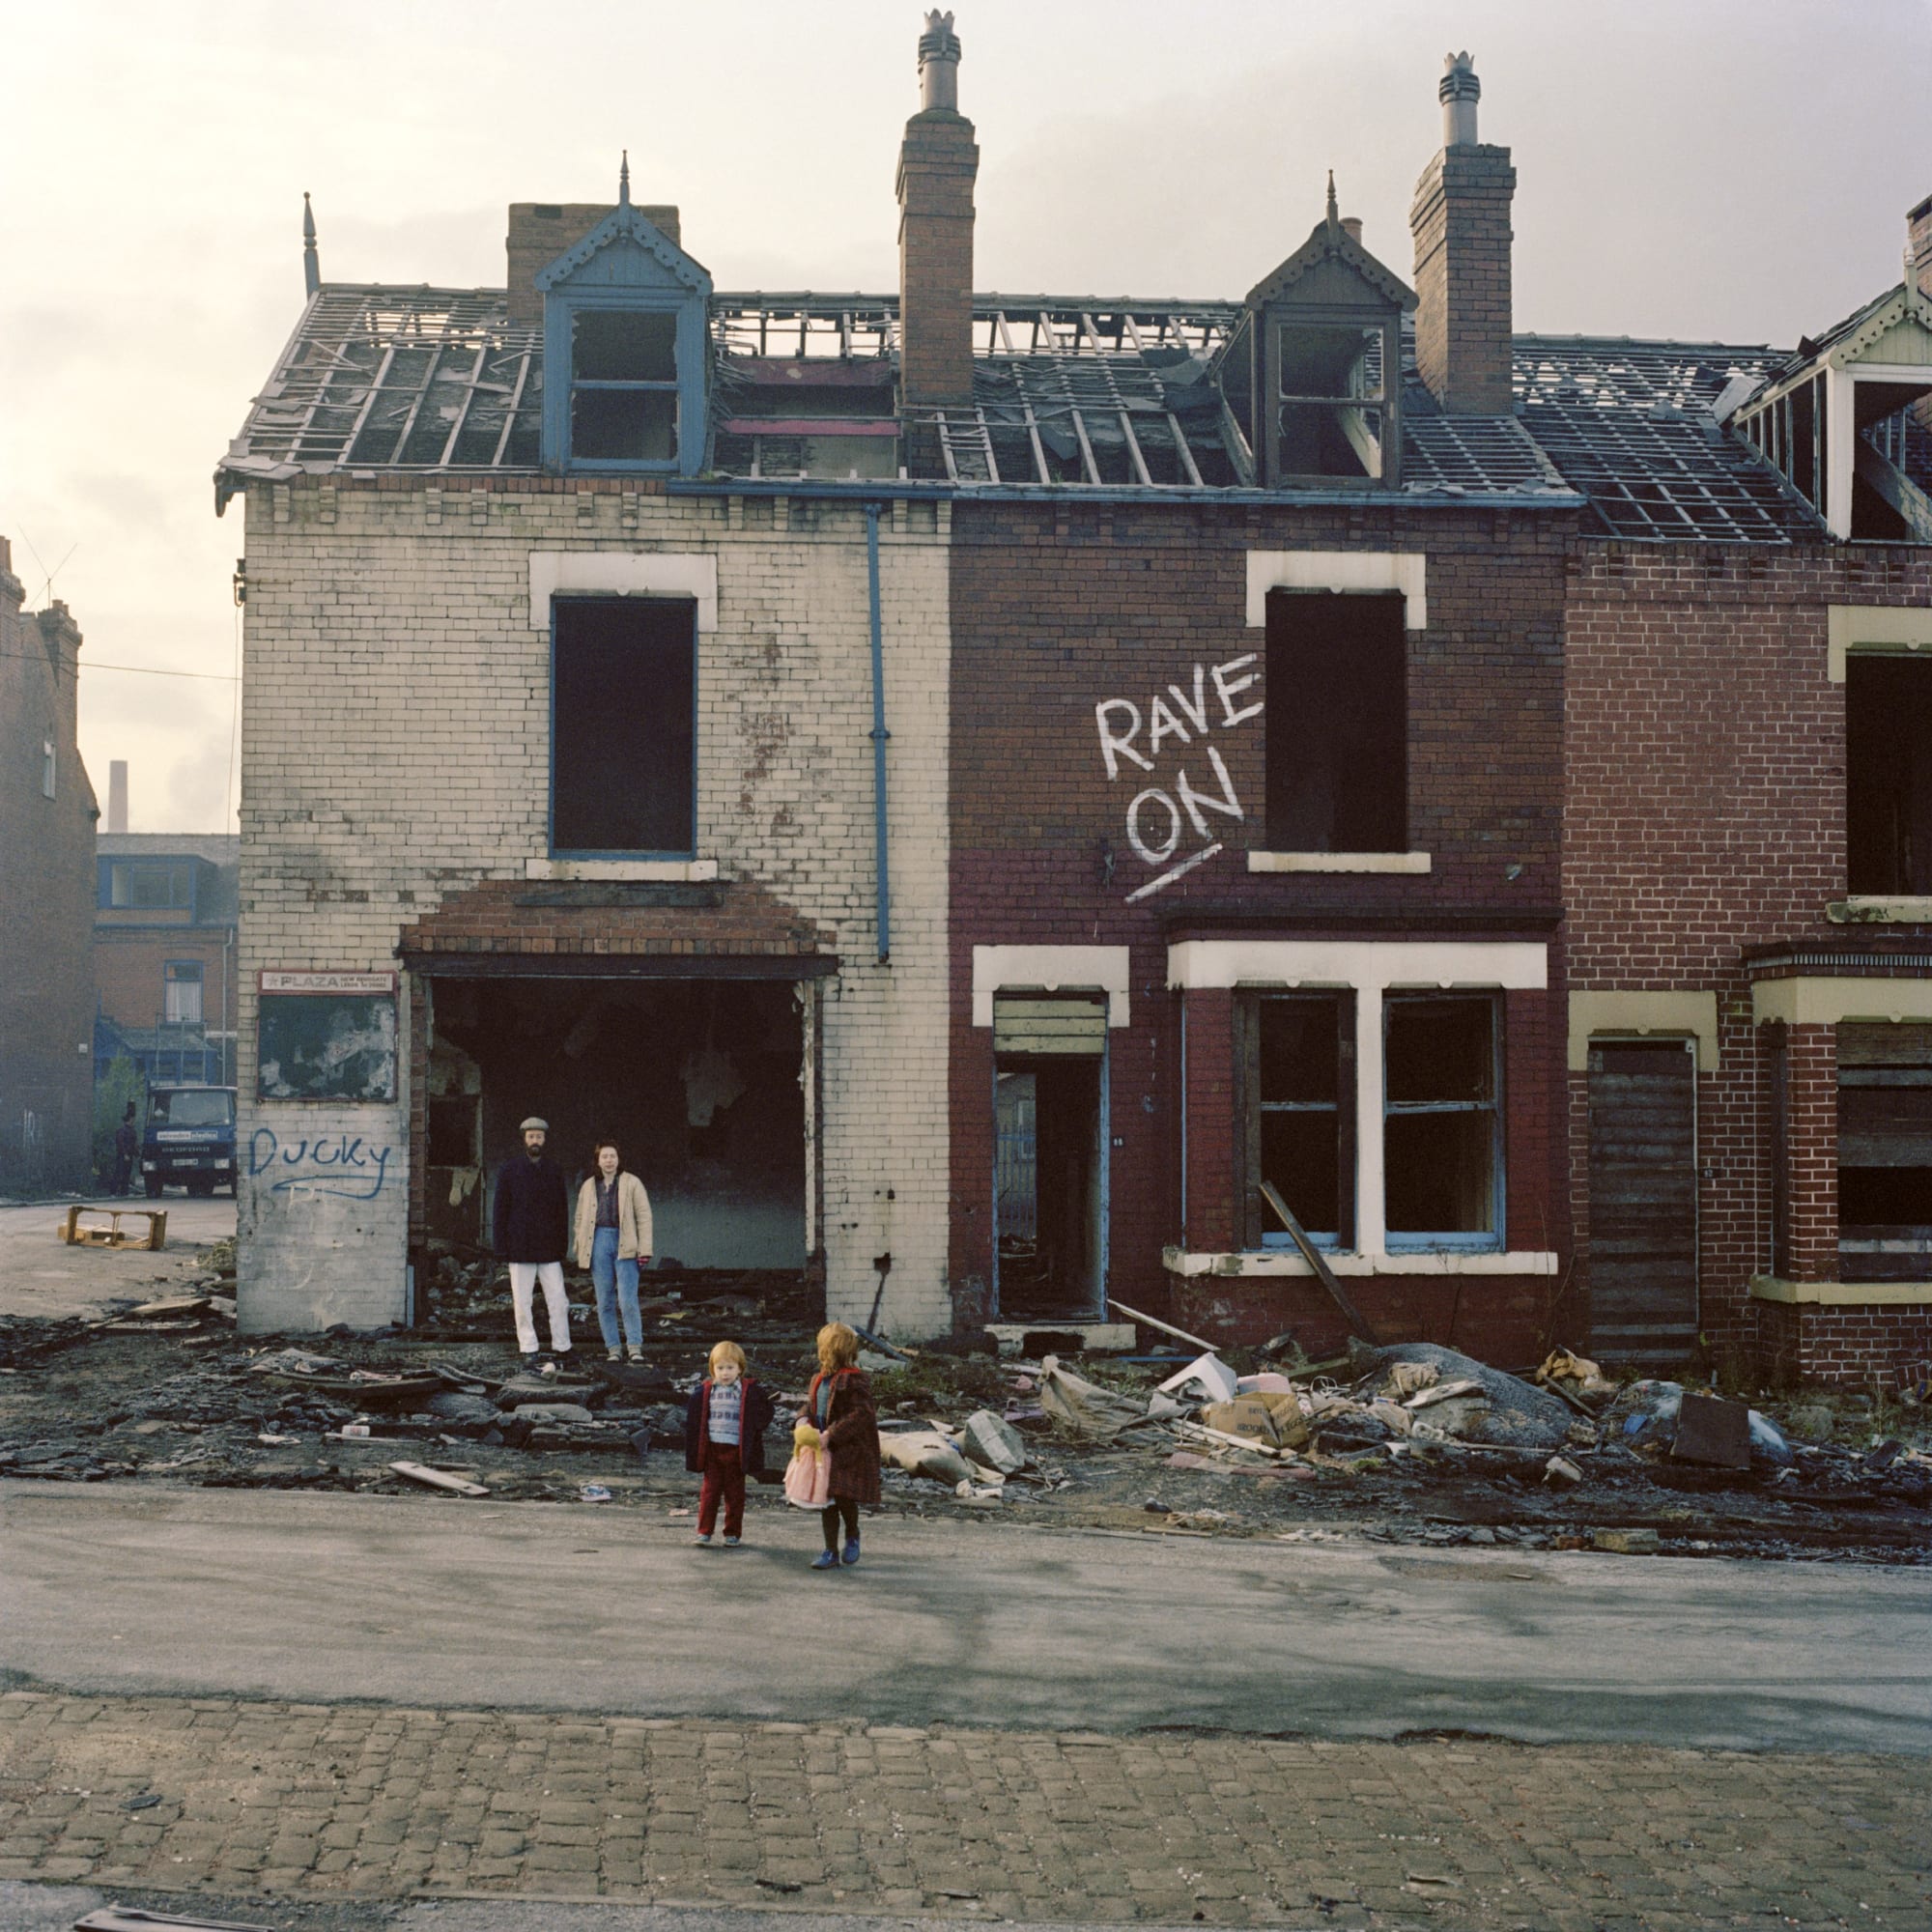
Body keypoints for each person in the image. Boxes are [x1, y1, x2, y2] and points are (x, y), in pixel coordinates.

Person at [492, 1116, 573, 1368]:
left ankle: (562, 1346)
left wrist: (562, 1245)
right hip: (519, 1246)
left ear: (545, 1140)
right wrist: (501, 1246)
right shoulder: (509, 1170)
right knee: (522, 1301)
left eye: (539, 1136)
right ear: (524, 1139)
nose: (535, 1141)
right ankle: (529, 1348)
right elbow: (500, 1210)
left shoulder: (554, 1170)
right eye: (531, 1136)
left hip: (548, 1248)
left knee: (558, 1299)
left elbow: (562, 1211)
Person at [800, 1321, 880, 1570]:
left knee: (844, 1497)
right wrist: (803, 1419)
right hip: (824, 1450)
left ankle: (853, 1534)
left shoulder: (855, 1380)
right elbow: (812, 1405)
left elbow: (862, 1414)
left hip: (849, 1450)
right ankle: (830, 1551)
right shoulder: (818, 1379)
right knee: (827, 1501)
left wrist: (832, 1434)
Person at [684, 1339, 776, 1548]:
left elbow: (767, 1410)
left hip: (737, 1450)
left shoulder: (746, 1391)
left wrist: (756, 1428)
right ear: (712, 1369)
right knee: (710, 1492)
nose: (725, 1373)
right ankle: (704, 1531)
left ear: (740, 1369)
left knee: (735, 1494)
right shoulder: (707, 1391)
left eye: (730, 1368)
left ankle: (732, 1533)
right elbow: (694, 1420)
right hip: (713, 1450)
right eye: (720, 1368)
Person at [573, 1139, 652, 1362]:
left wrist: (644, 1249)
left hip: (625, 1240)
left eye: (612, 1156)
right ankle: (613, 1349)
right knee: (604, 1300)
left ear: (619, 1159)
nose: (609, 1160)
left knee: (627, 1299)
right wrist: (580, 1247)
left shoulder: (632, 1183)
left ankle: (635, 1348)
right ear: (598, 1161)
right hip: (598, 1240)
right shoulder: (589, 1186)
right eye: (604, 1157)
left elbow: (644, 1217)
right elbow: (579, 1218)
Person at [112, 1103, 139, 1197]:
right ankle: (114, 1191)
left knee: (126, 1174)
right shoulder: (122, 1131)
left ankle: (124, 1191)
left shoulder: (132, 1131)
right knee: (119, 1173)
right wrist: (125, 1154)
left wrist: (136, 1153)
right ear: (130, 1120)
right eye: (132, 1119)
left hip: (129, 1155)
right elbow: (120, 1143)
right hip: (123, 1155)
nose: (134, 1121)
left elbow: (134, 1144)